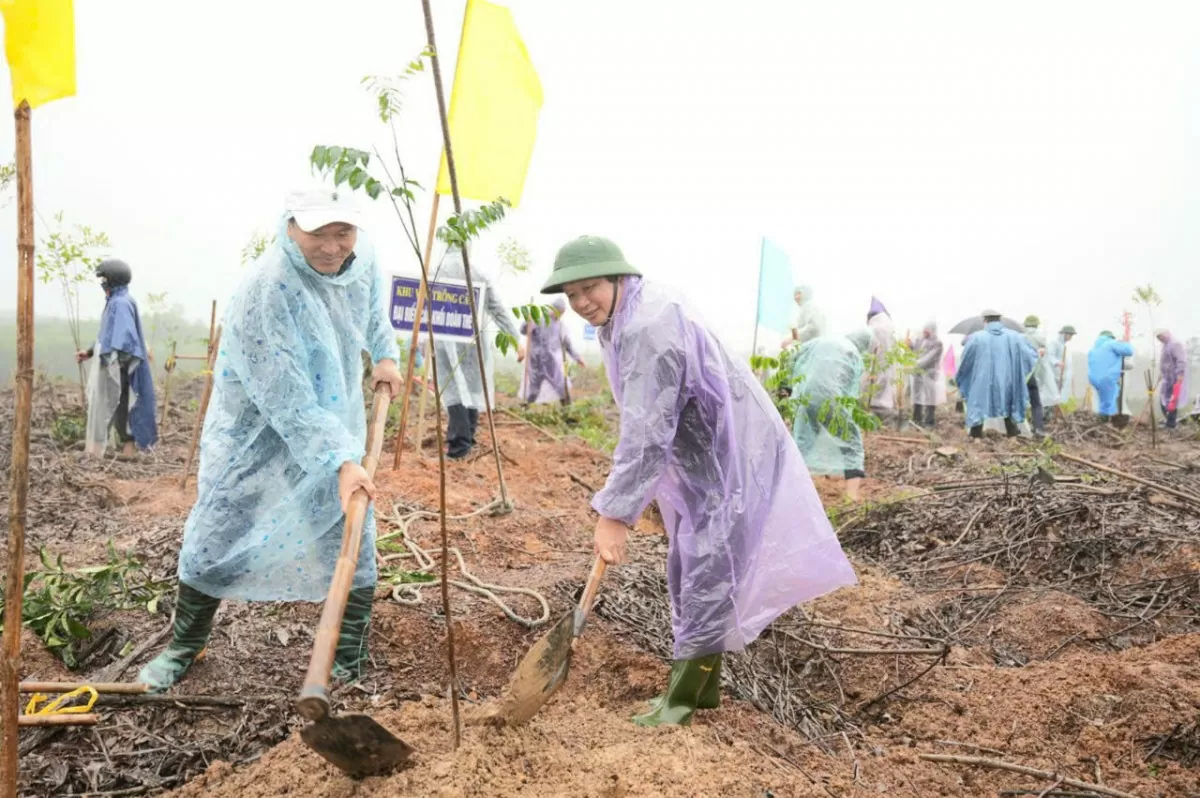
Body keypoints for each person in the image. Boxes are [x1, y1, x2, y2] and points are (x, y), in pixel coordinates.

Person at [541, 236, 856, 727]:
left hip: (728, 459)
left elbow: (647, 432)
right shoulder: (627, 315)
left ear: (618, 278)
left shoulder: (646, 324)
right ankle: (699, 690)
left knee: (707, 571)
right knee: (692, 567)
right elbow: (649, 422)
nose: (582, 303)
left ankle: (682, 701)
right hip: (706, 459)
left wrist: (615, 514)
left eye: (590, 288)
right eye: (572, 294)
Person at [137, 189, 403, 692]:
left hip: (332, 419)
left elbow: (373, 309)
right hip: (256, 426)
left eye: (342, 232)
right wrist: (339, 459)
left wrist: (385, 354)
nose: (332, 246)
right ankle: (184, 647)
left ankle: (347, 658)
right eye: (317, 233)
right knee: (218, 529)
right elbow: (285, 394)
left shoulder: (360, 258)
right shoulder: (268, 287)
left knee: (350, 534)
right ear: (290, 227)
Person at [431, 246, 522, 459]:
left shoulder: (435, 271)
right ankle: (467, 439)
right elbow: (497, 309)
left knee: (454, 391)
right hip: (473, 342)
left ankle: (459, 447)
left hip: (445, 341)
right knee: (471, 390)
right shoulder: (476, 272)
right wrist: (516, 340)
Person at [76, 259, 158, 456]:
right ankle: (125, 451)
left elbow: (124, 337)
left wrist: (114, 362)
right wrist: (89, 352)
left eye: (104, 278)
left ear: (112, 280)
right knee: (120, 406)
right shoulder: (120, 300)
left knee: (108, 405)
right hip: (119, 364)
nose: (102, 283)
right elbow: (108, 335)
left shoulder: (119, 303)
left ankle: (99, 452)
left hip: (118, 365)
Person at [790, 330, 872, 501]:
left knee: (803, 444)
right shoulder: (854, 354)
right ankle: (851, 496)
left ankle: (792, 490)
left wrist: (789, 388)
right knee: (852, 444)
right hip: (831, 399)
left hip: (806, 396)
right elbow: (851, 393)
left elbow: (794, 358)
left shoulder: (821, 340)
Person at [956, 310, 1037, 439]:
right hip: (1007, 380)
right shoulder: (1015, 337)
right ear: (1000, 320)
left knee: (978, 405)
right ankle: (1012, 436)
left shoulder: (976, 337)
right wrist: (1019, 373)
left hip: (982, 381)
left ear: (985, 321)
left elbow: (966, 360)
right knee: (1010, 404)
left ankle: (976, 437)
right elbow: (1030, 355)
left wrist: (965, 377)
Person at [522, 296, 585, 405]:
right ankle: (526, 407)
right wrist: (526, 323)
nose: (560, 315)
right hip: (535, 360)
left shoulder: (559, 326)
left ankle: (568, 411)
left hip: (550, 361)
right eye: (559, 311)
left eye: (562, 313)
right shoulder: (538, 319)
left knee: (561, 385)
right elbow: (524, 331)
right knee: (534, 389)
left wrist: (578, 358)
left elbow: (567, 344)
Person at [1022, 315, 1060, 436]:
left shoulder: (1019, 337)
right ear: (1037, 325)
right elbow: (1044, 363)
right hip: (1032, 375)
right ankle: (1038, 429)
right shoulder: (1041, 338)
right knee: (1036, 403)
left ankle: (1020, 429)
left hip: (1018, 376)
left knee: (1018, 403)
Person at [1086, 331, 1134, 421]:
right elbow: (1129, 351)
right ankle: (1106, 423)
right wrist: (1124, 343)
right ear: (1111, 338)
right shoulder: (1111, 343)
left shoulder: (1094, 348)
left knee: (1102, 401)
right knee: (1111, 401)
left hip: (1094, 379)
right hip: (1107, 378)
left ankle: (1103, 420)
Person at [863, 297, 896, 416]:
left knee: (872, 394)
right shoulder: (889, 329)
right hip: (886, 370)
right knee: (882, 393)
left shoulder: (874, 329)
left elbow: (867, 351)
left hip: (873, 369)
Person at [910, 320, 945, 428]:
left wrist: (912, 365)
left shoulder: (937, 343)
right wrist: (909, 346)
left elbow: (927, 359)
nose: (925, 331)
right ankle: (917, 419)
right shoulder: (920, 340)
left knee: (930, 397)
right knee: (917, 396)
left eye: (927, 330)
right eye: (924, 329)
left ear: (933, 331)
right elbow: (915, 351)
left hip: (929, 374)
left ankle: (929, 422)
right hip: (918, 373)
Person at [1156, 330, 1189, 429]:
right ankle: (1168, 420)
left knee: (1173, 399)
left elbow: (1181, 360)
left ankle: (1171, 424)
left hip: (1175, 377)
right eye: (1158, 337)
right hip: (1167, 378)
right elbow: (1164, 362)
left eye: (1161, 336)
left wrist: (1180, 374)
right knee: (1163, 399)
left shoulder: (1175, 344)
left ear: (1166, 334)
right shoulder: (1165, 346)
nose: (1160, 339)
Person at [782, 284, 827, 350]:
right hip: (810, 349)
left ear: (806, 294)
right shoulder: (804, 309)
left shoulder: (809, 306)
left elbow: (814, 328)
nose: (795, 297)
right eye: (794, 295)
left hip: (814, 348)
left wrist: (792, 338)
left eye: (798, 293)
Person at [1047, 325, 1077, 402]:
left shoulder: (1063, 346)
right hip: (1052, 374)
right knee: (1051, 396)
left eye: (1072, 335)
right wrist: (1057, 363)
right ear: (1064, 334)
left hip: (1059, 375)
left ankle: (1053, 412)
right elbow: (1049, 355)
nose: (1071, 337)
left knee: (1057, 396)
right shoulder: (1054, 343)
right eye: (1070, 334)